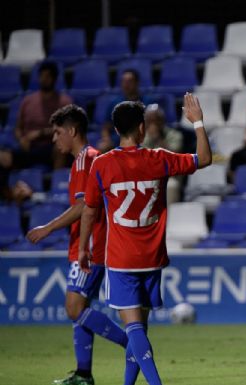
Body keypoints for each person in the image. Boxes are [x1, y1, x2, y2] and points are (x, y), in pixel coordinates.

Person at [78, 94, 211, 385]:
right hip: (151, 258)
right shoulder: (159, 158)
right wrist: (198, 122)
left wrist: (83, 249)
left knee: (134, 329)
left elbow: (89, 212)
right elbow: (204, 159)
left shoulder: (102, 164)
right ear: (142, 128)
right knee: (140, 329)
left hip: (121, 259)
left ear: (115, 130)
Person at [25, 104, 128, 385]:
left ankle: (131, 345)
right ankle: (83, 374)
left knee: (74, 308)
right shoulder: (84, 160)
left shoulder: (86, 160)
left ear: (72, 131)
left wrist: (48, 228)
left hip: (91, 248)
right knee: (79, 311)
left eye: (58, 133)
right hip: (86, 246)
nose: (55, 139)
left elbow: (84, 206)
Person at [13, 61, 73, 169]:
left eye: (48, 76)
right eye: (42, 76)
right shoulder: (27, 101)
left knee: (61, 148)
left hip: (51, 146)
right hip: (29, 147)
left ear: (54, 78)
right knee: (4, 157)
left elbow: (68, 129)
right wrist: (22, 139)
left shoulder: (64, 102)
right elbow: (18, 128)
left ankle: (57, 182)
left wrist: (41, 133)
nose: (44, 79)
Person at [98, 69, 154, 152]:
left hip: (141, 138)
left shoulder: (148, 102)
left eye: (130, 81)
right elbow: (106, 127)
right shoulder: (114, 103)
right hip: (118, 139)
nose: (126, 84)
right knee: (103, 146)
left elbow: (152, 124)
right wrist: (106, 139)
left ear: (137, 82)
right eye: (123, 81)